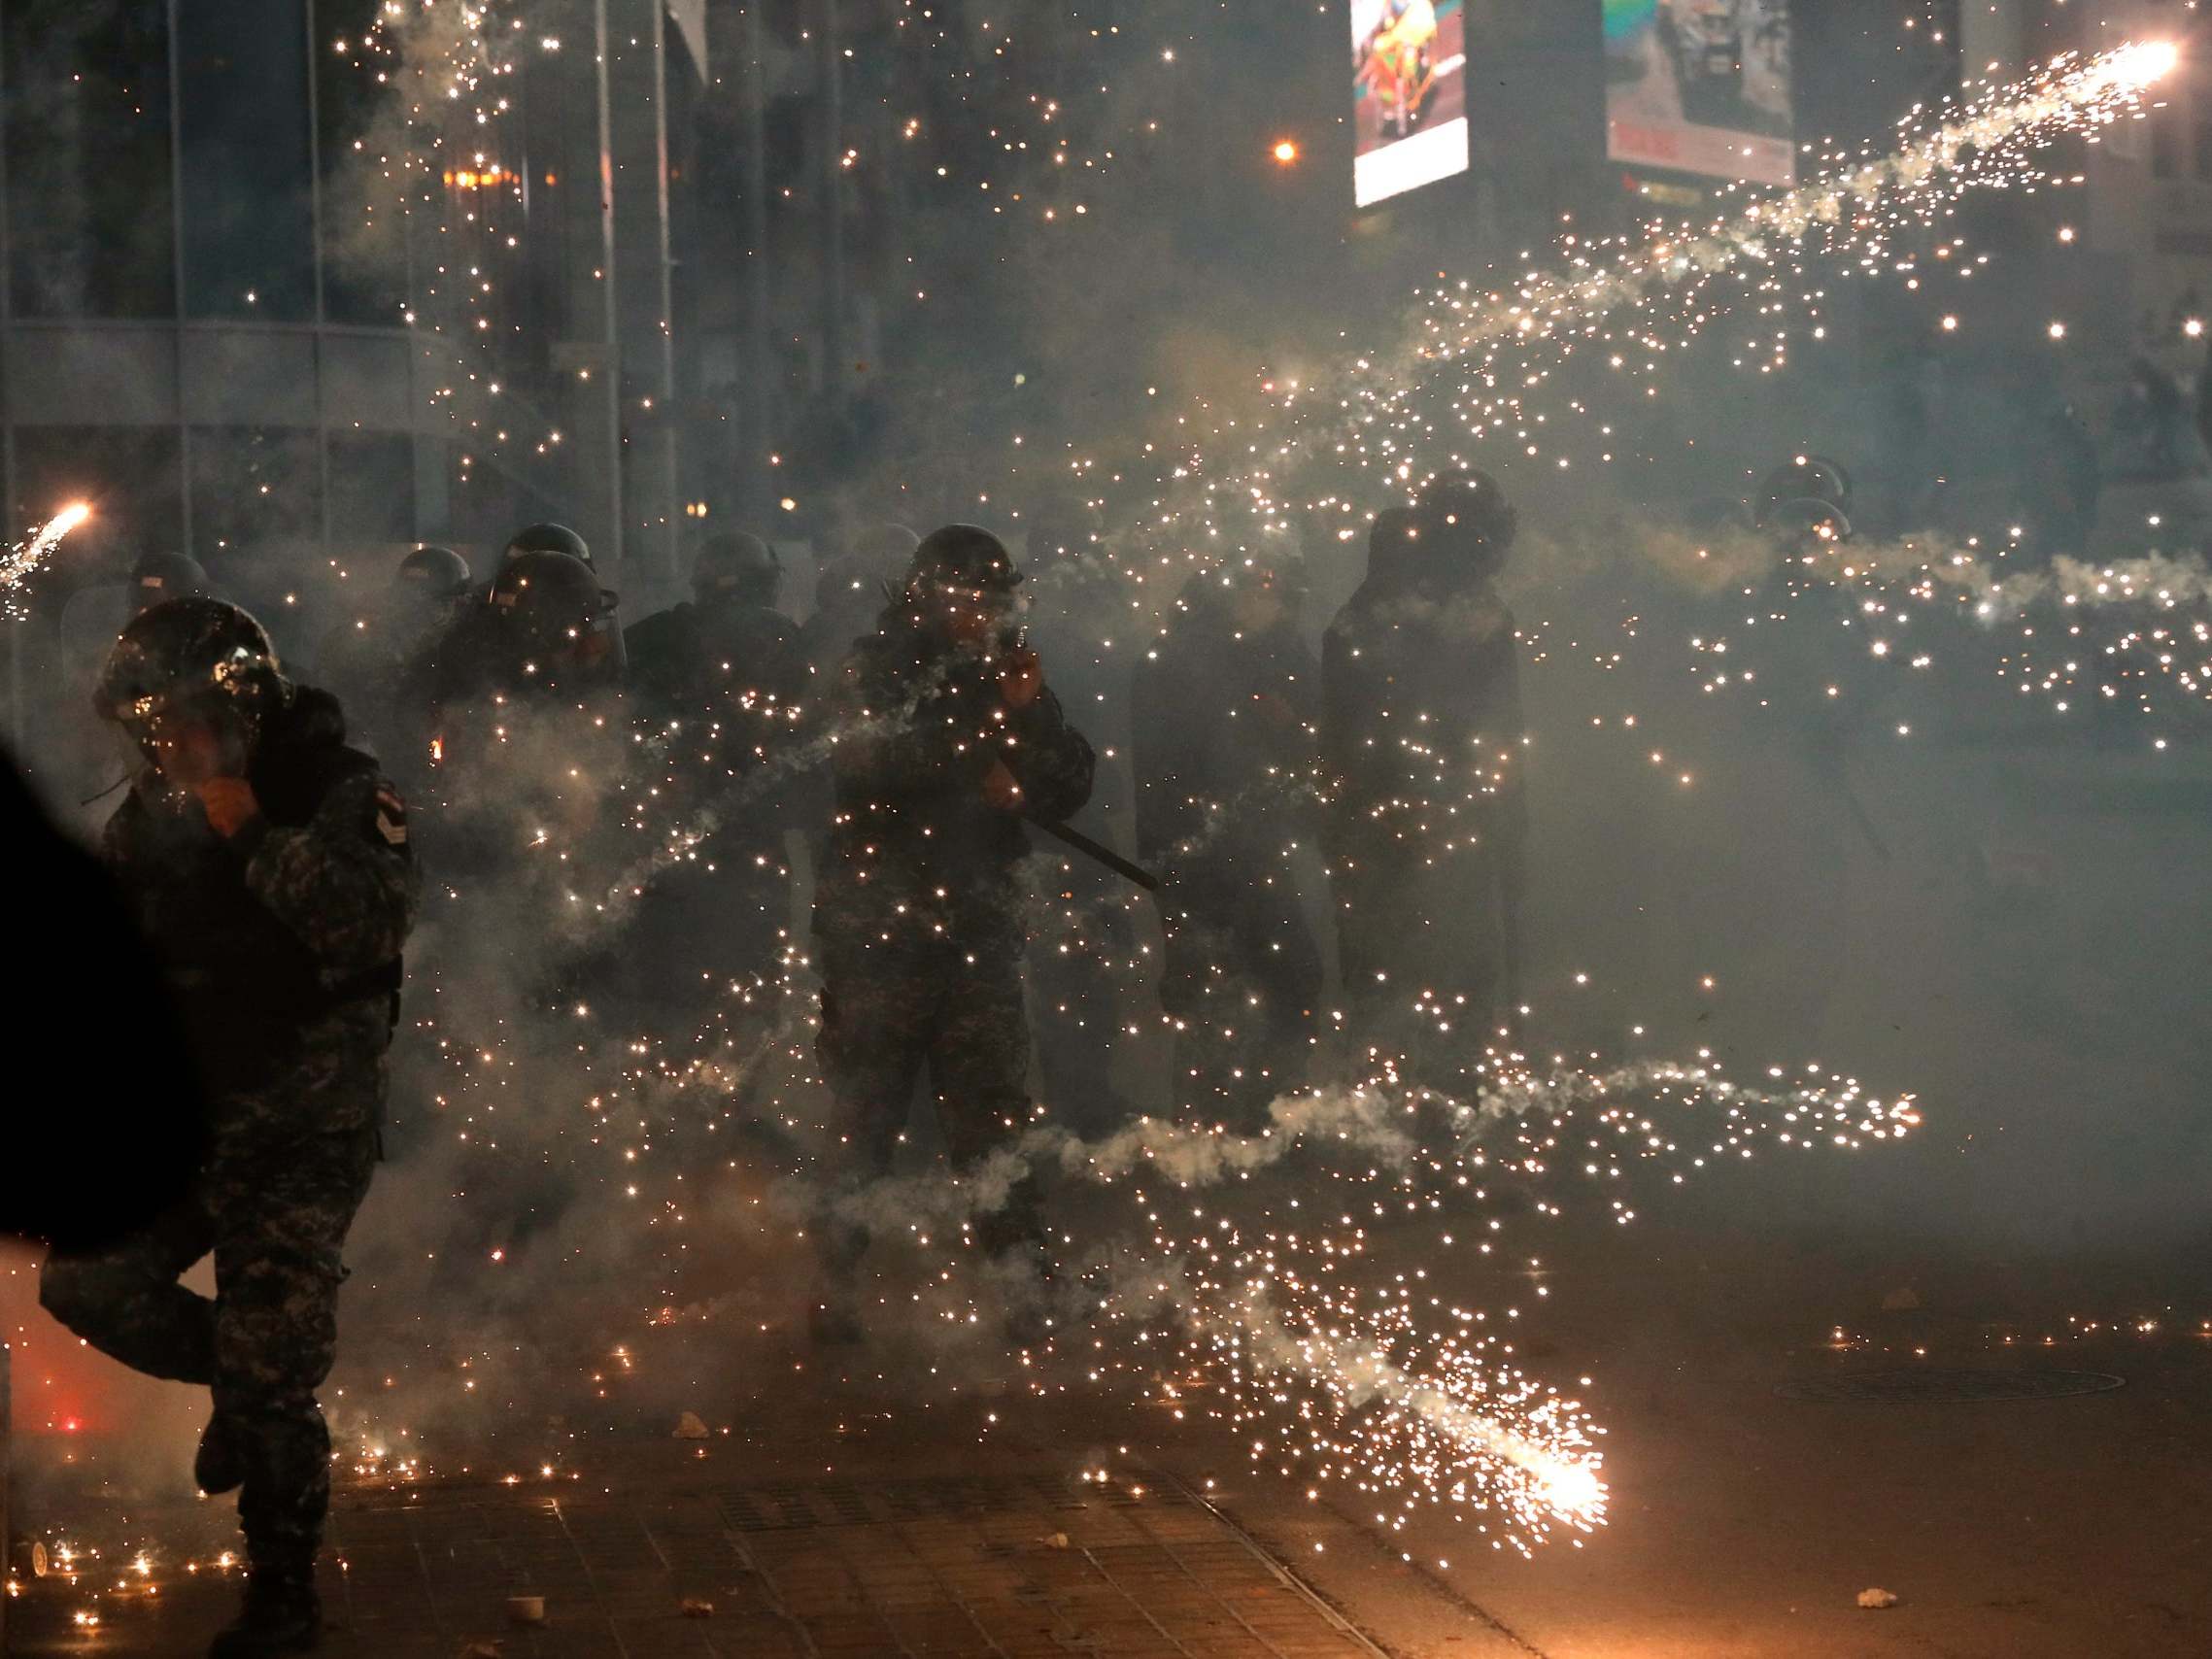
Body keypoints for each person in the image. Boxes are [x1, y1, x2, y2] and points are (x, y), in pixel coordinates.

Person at [40, 597, 418, 1658]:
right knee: (87, 1282)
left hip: (305, 1126)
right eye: (152, 732)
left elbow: (363, 920)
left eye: (185, 724)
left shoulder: (339, 790)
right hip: (197, 1122)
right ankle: (239, 1380)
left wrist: (246, 822)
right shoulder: (147, 817)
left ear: (240, 706)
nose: (166, 748)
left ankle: (283, 1594)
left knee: (273, 1363)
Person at [809, 525, 1095, 1342]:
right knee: (863, 1116)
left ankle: (1022, 1288)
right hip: (880, 929)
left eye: (991, 598)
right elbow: (865, 756)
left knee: (994, 1117)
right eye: (968, 598)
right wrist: (977, 757)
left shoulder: (1008, 670)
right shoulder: (877, 665)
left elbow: (1070, 780)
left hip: (976, 927)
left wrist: (1029, 713)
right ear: (929, 595)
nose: (981, 614)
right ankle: (831, 1289)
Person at [1323, 475, 1527, 1060]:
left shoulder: (1447, 608)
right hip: (1402, 833)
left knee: (1421, 1002)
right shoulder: (1389, 615)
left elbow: (1500, 736)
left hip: (1429, 830)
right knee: (1414, 1002)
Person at [1132, 559, 1324, 1128]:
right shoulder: (1176, 661)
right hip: (1196, 853)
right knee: (1210, 989)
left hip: (1257, 848)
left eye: (1278, 594)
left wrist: (1292, 727)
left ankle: (1264, 1115)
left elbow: (1318, 733)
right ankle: (1204, 1132)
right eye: (1257, 591)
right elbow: (1174, 768)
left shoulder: (1278, 653)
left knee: (1292, 977)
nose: (1270, 607)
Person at [314, 546, 472, 756]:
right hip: (370, 760)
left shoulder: (459, 646)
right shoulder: (359, 643)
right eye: (417, 602)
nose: (430, 612)